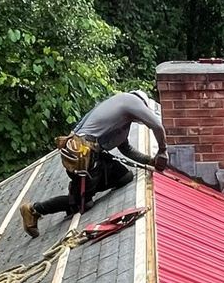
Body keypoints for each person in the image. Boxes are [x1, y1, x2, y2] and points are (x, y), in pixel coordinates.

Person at [21, 90, 168, 237]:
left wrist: (151, 161)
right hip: (83, 155)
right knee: (83, 203)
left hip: (89, 154)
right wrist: (162, 150)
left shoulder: (119, 113)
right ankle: (34, 209)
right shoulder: (131, 101)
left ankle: (81, 189)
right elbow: (157, 126)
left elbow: (126, 149)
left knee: (124, 176)